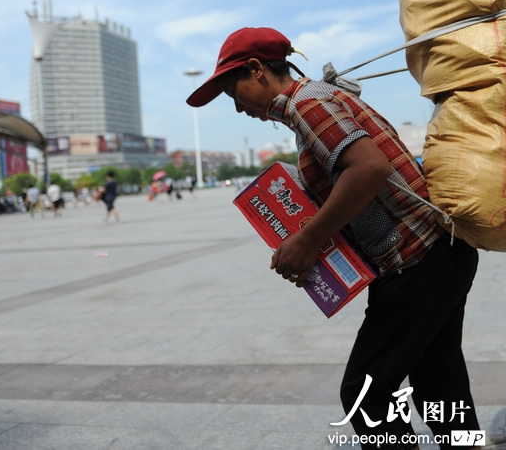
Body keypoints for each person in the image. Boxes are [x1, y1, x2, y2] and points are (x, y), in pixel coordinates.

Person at [187, 27, 480, 449]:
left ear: (257, 70)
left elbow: (368, 169)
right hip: (438, 255)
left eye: (234, 93)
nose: (237, 109)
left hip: (417, 262)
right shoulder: (317, 100)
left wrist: (307, 240)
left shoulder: (308, 103)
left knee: (365, 397)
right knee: (440, 384)